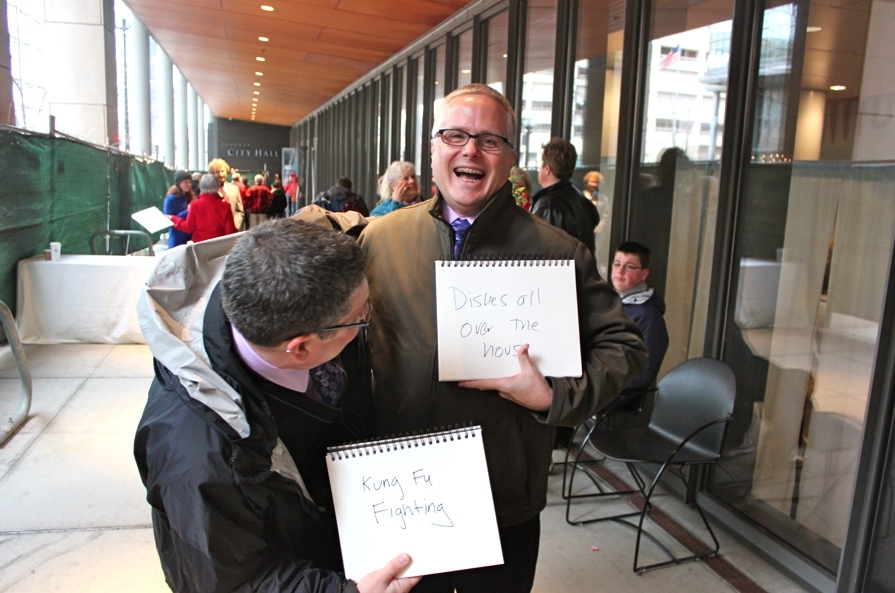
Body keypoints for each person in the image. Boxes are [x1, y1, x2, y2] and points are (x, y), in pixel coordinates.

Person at [357, 84, 647, 593]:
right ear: (433, 149)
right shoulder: (381, 240)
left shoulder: (558, 252)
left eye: (490, 140)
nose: (470, 149)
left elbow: (623, 347)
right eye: (455, 135)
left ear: (511, 159)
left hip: (501, 499)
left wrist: (554, 396)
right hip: (399, 493)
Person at [134, 218, 420, 593]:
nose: (367, 320)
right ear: (300, 347)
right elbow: (234, 582)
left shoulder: (276, 292)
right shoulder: (200, 458)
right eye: (360, 319)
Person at [611, 241, 669, 396]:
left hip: (614, 393)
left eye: (629, 266)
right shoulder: (607, 303)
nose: (620, 271)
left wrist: (600, 387)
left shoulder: (649, 316)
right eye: (617, 264)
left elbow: (644, 372)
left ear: (644, 274)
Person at [530, 137, 600, 259]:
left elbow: (543, 252)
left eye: (541, 165)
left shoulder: (548, 205)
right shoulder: (579, 197)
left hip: (560, 276)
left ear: (547, 169)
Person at [167, 173, 238, 242]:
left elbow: (189, 227)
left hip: (200, 246)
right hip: (219, 246)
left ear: (201, 186)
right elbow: (230, 232)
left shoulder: (194, 205)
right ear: (217, 186)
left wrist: (173, 219)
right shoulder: (226, 206)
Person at [208, 158, 245, 231]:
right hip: (214, 231)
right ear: (212, 174)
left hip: (232, 230)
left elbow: (240, 210)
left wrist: (234, 225)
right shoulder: (209, 190)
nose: (221, 174)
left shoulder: (235, 189)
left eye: (222, 171)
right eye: (217, 172)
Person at [162, 169, 195, 248]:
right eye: (185, 182)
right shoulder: (170, 199)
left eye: (190, 182)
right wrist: (187, 211)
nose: (188, 184)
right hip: (177, 237)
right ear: (179, 183)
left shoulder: (190, 197)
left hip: (190, 236)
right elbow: (168, 219)